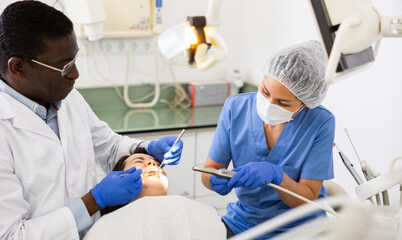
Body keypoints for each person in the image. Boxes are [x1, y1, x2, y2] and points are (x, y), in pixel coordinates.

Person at [0, 2, 183, 239]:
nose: (75, 74)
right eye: (64, 67)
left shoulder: (68, 99)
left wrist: (146, 149)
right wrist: (94, 201)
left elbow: (108, 147)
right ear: (18, 68)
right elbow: (12, 235)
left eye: (74, 60)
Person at [201, 40, 335, 239]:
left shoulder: (320, 122)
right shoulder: (235, 108)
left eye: (282, 102)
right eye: (265, 91)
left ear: (305, 102)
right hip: (243, 224)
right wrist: (214, 179)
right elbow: (208, 170)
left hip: (302, 230)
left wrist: (278, 176)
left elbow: (307, 197)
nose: (269, 104)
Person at [84, 148, 226, 240]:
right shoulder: (107, 228)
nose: (152, 164)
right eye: (139, 161)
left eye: (157, 164)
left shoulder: (200, 213)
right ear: (118, 178)